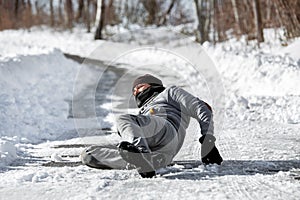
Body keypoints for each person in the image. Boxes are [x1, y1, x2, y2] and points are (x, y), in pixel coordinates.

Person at [81, 74, 223, 178]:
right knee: (88, 155)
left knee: (123, 119)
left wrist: (208, 140)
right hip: (163, 155)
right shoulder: (142, 111)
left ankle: (141, 154)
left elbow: (202, 108)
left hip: (166, 129)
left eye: (140, 86)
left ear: (154, 85)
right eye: (134, 90)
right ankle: (144, 160)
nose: (136, 91)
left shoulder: (169, 93)